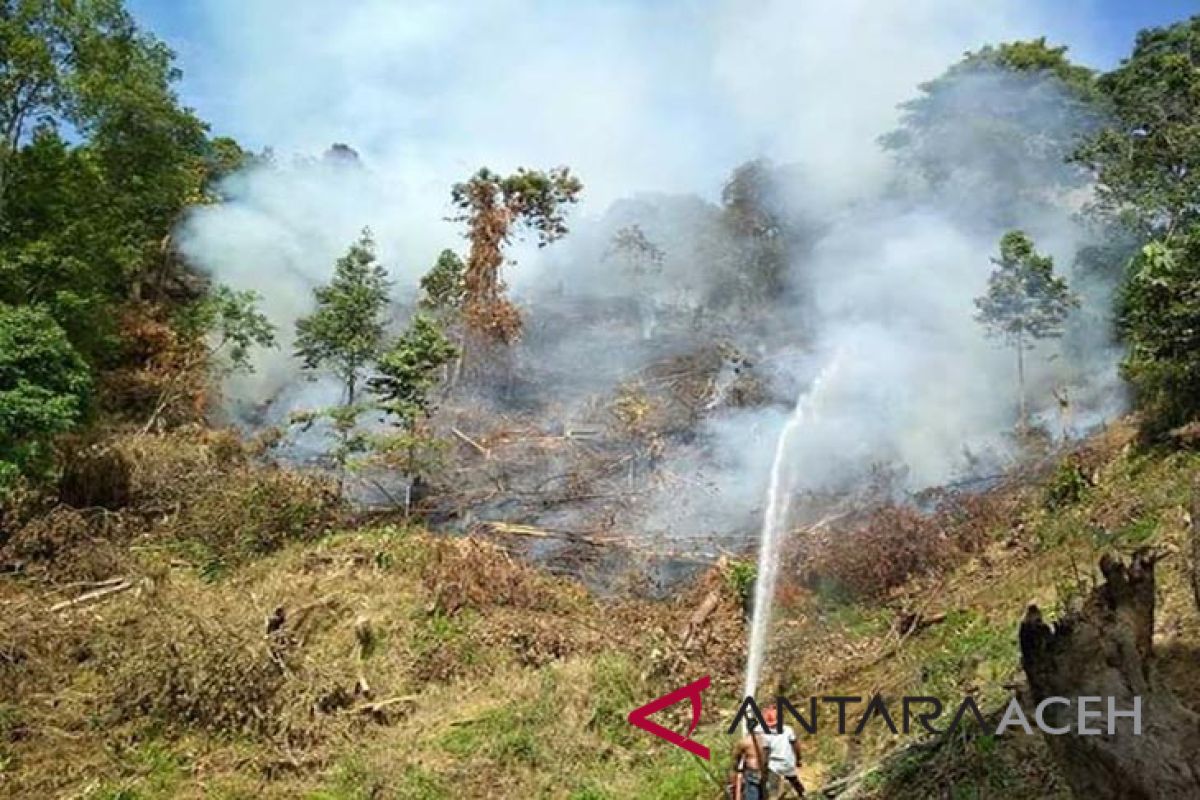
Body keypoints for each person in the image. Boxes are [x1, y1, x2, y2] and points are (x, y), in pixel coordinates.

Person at [761, 703, 805, 798]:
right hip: (788, 762)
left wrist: (763, 768)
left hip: (774, 766)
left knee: (772, 788)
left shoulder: (765, 735)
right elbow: (796, 745)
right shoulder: (788, 730)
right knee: (794, 780)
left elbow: (765, 753)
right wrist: (798, 759)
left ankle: (775, 796)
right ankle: (803, 795)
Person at [730, 719, 770, 800]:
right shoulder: (765, 739)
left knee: (752, 793)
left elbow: (735, 755)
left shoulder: (745, 741)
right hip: (764, 769)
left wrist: (736, 769)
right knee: (762, 792)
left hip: (753, 770)